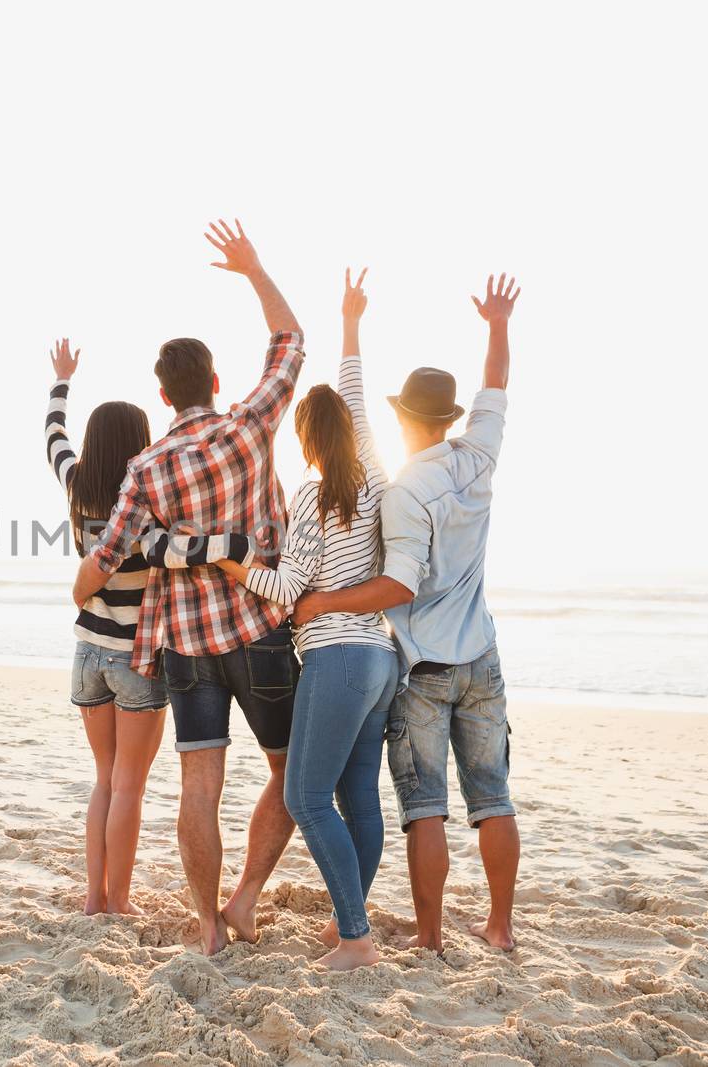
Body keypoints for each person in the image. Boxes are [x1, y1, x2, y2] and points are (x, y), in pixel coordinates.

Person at [72, 219, 305, 955]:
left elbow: (104, 561)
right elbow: (292, 342)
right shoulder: (248, 426)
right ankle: (243, 899)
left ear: (162, 395)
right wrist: (254, 269)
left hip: (186, 648)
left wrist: (87, 588)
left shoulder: (143, 470)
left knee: (197, 786)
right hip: (262, 630)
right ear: (212, 382)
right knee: (292, 771)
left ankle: (208, 927)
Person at [291, 273, 523, 953]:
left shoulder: (403, 492)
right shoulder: (479, 453)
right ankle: (501, 927)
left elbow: (396, 584)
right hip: (482, 654)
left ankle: (429, 936)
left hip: (422, 667)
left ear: (403, 419)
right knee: (494, 797)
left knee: (426, 809)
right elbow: (497, 385)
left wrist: (325, 599)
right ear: (449, 417)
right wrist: (497, 323)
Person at [210, 265, 395, 969]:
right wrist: (351, 325)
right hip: (380, 658)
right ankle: (351, 920)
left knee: (305, 795)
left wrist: (234, 568)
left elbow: (286, 587)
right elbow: (352, 397)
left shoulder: (316, 496)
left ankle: (355, 937)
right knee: (356, 797)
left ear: (307, 440)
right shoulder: (374, 480)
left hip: (338, 656)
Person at [43, 339, 248, 916]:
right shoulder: (148, 499)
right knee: (129, 784)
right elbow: (182, 546)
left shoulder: (76, 487)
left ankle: (93, 898)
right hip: (136, 658)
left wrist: (61, 382)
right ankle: (120, 900)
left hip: (86, 652)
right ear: (140, 443)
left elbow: (53, 438)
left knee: (104, 779)